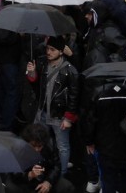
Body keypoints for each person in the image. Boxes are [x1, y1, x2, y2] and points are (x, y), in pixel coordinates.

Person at [26, 36, 78, 175]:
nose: (48, 52)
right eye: (47, 48)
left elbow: (74, 95)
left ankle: (61, 174)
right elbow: (37, 87)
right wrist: (32, 73)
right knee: (38, 141)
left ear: (61, 51)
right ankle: (40, 169)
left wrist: (68, 118)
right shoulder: (42, 63)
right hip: (43, 111)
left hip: (59, 115)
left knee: (62, 147)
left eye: (52, 49)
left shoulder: (70, 70)